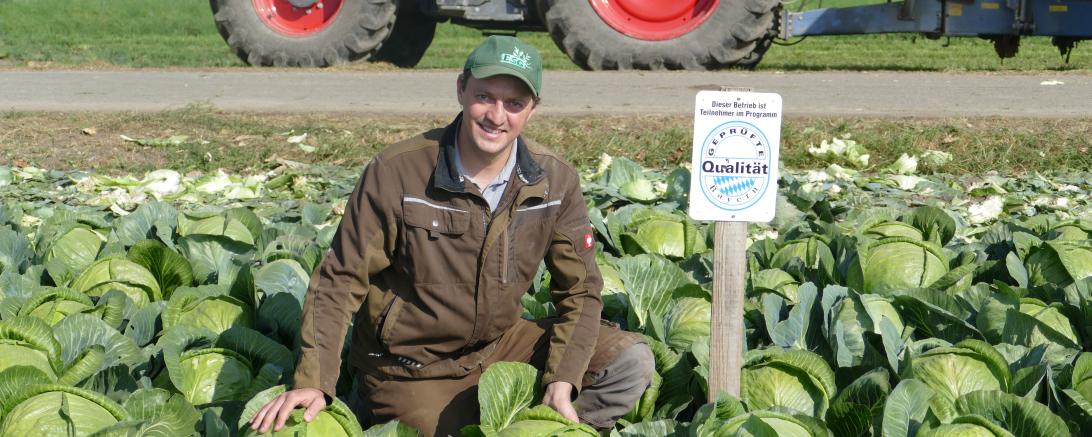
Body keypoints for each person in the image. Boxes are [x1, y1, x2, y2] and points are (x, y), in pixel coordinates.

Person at [248, 36, 654, 437]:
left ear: (532, 109)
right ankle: (373, 405)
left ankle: (550, 425)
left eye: (514, 103)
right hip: (409, 367)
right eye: (485, 96)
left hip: (500, 346)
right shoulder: (399, 173)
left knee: (628, 362)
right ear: (461, 89)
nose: (497, 115)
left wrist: (564, 378)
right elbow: (339, 280)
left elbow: (581, 292)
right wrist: (313, 380)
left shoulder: (553, 181)